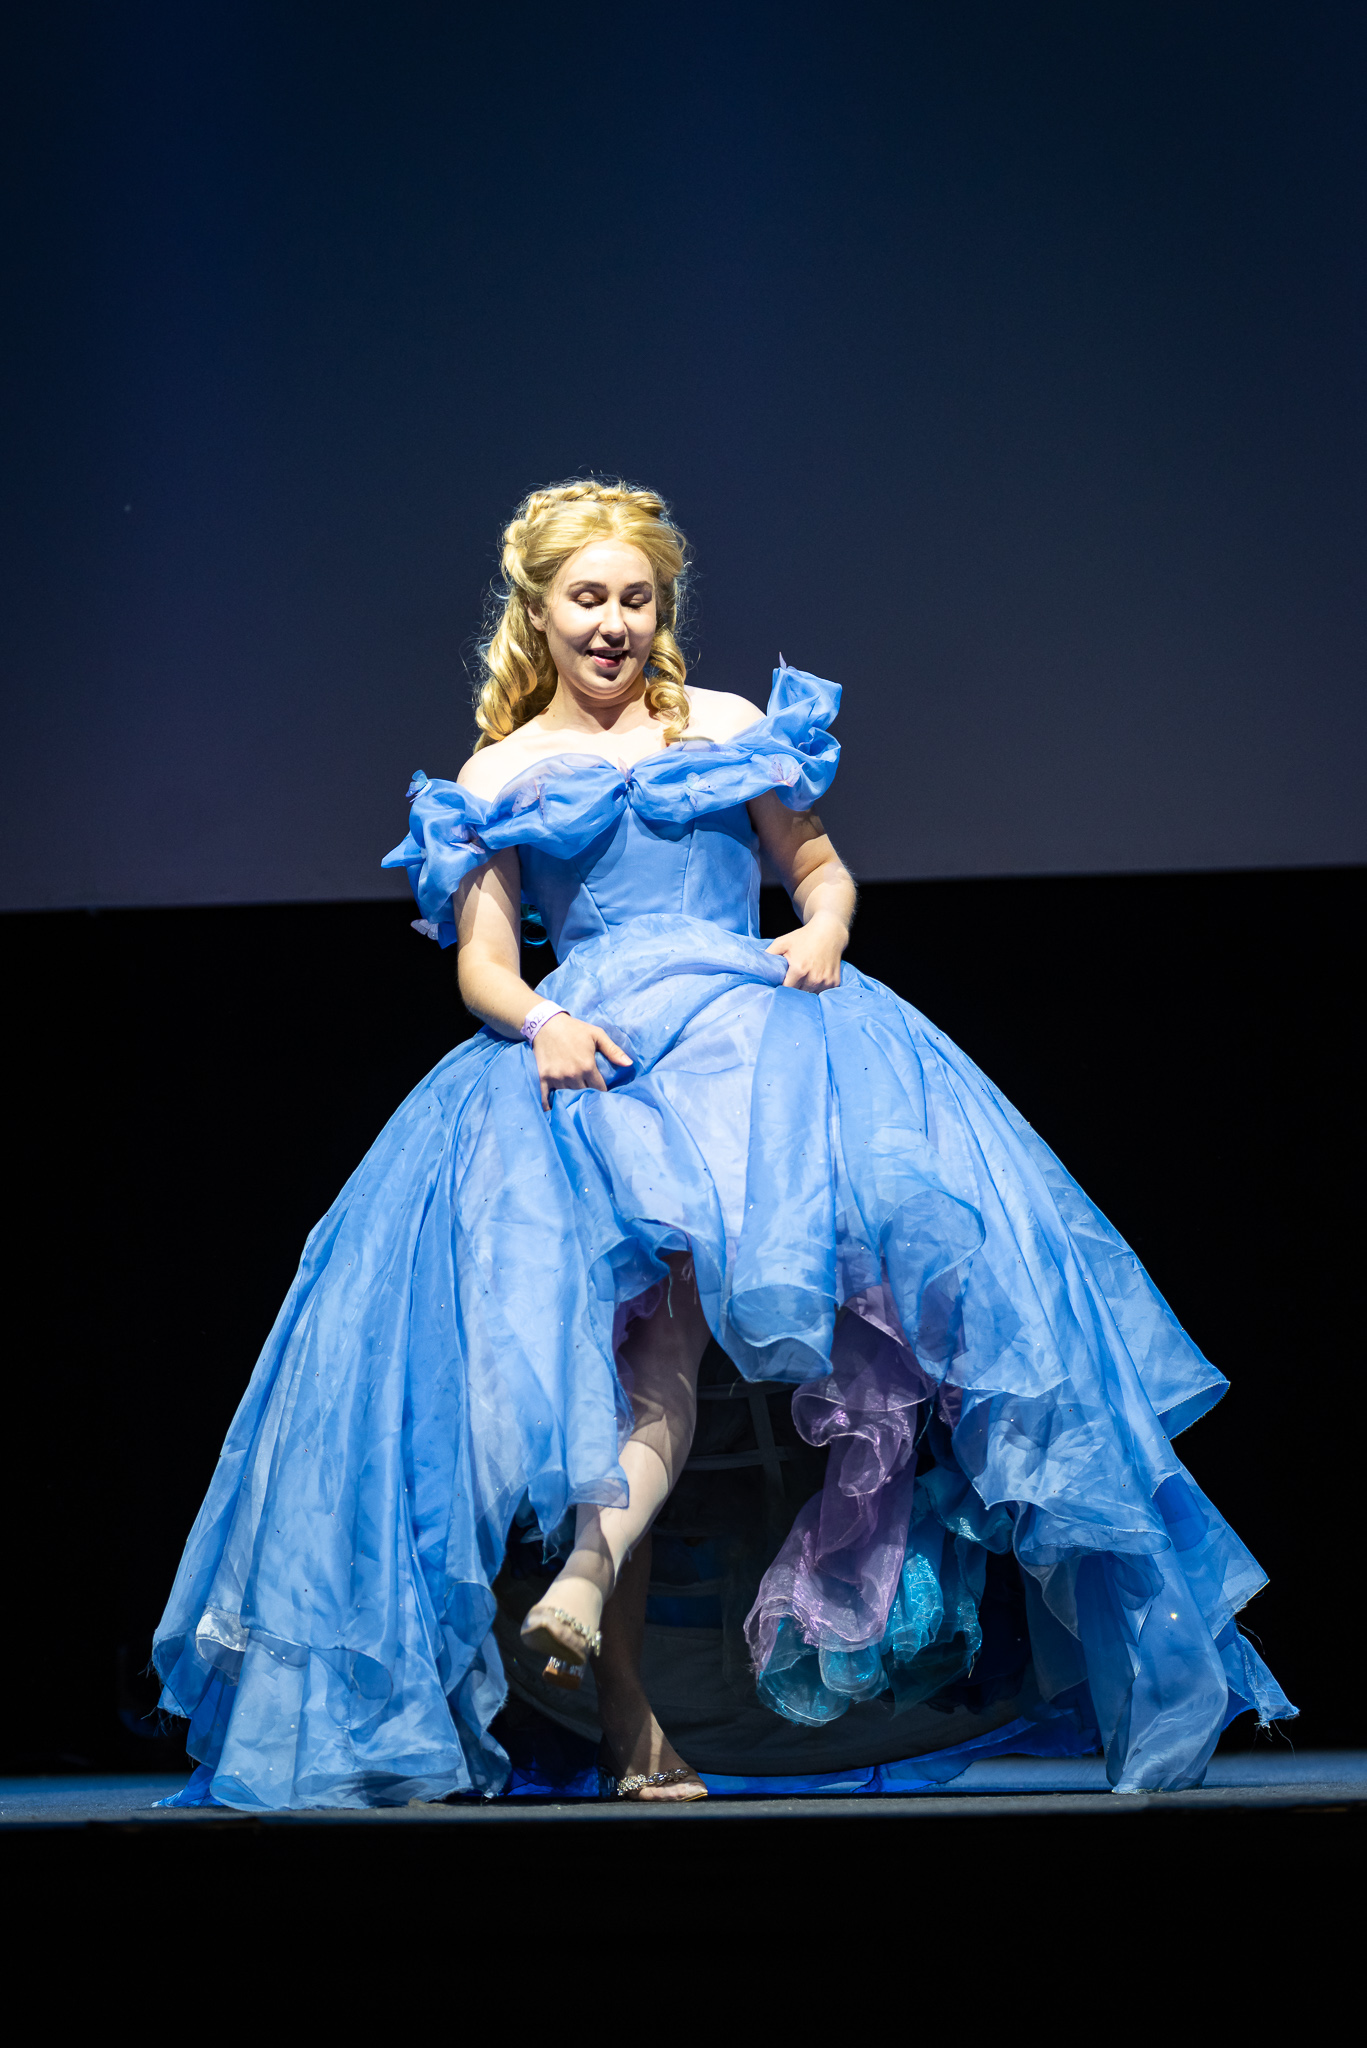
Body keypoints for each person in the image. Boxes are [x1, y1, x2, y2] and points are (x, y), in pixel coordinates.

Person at [154, 479, 1292, 1810]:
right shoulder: (499, 774)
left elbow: (817, 868)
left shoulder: (731, 726)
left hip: (759, 1064)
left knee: (945, 1315)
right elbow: (481, 964)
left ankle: (617, 1616)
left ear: (663, 609)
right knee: (627, 1368)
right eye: (588, 598)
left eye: (637, 599)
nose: (614, 623)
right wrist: (543, 1021)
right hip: (601, 1067)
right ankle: (606, 1670)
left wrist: (823, 931)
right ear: (538, 611)